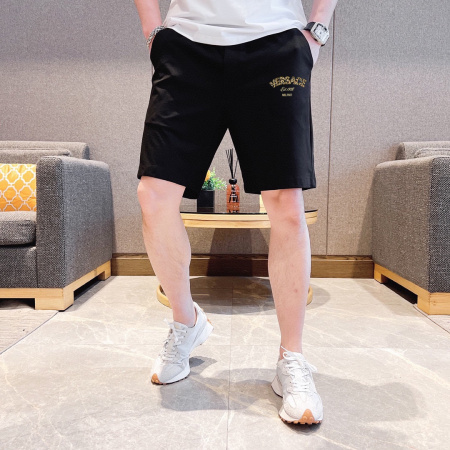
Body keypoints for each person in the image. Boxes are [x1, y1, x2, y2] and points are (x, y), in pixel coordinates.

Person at [134, 0, 338, 425]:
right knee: (153, 196)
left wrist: (316, 30)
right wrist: (154, 32)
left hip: (275, 43)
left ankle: (291, 358)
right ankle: (186, 322)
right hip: (186, 44)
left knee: (286, 202)